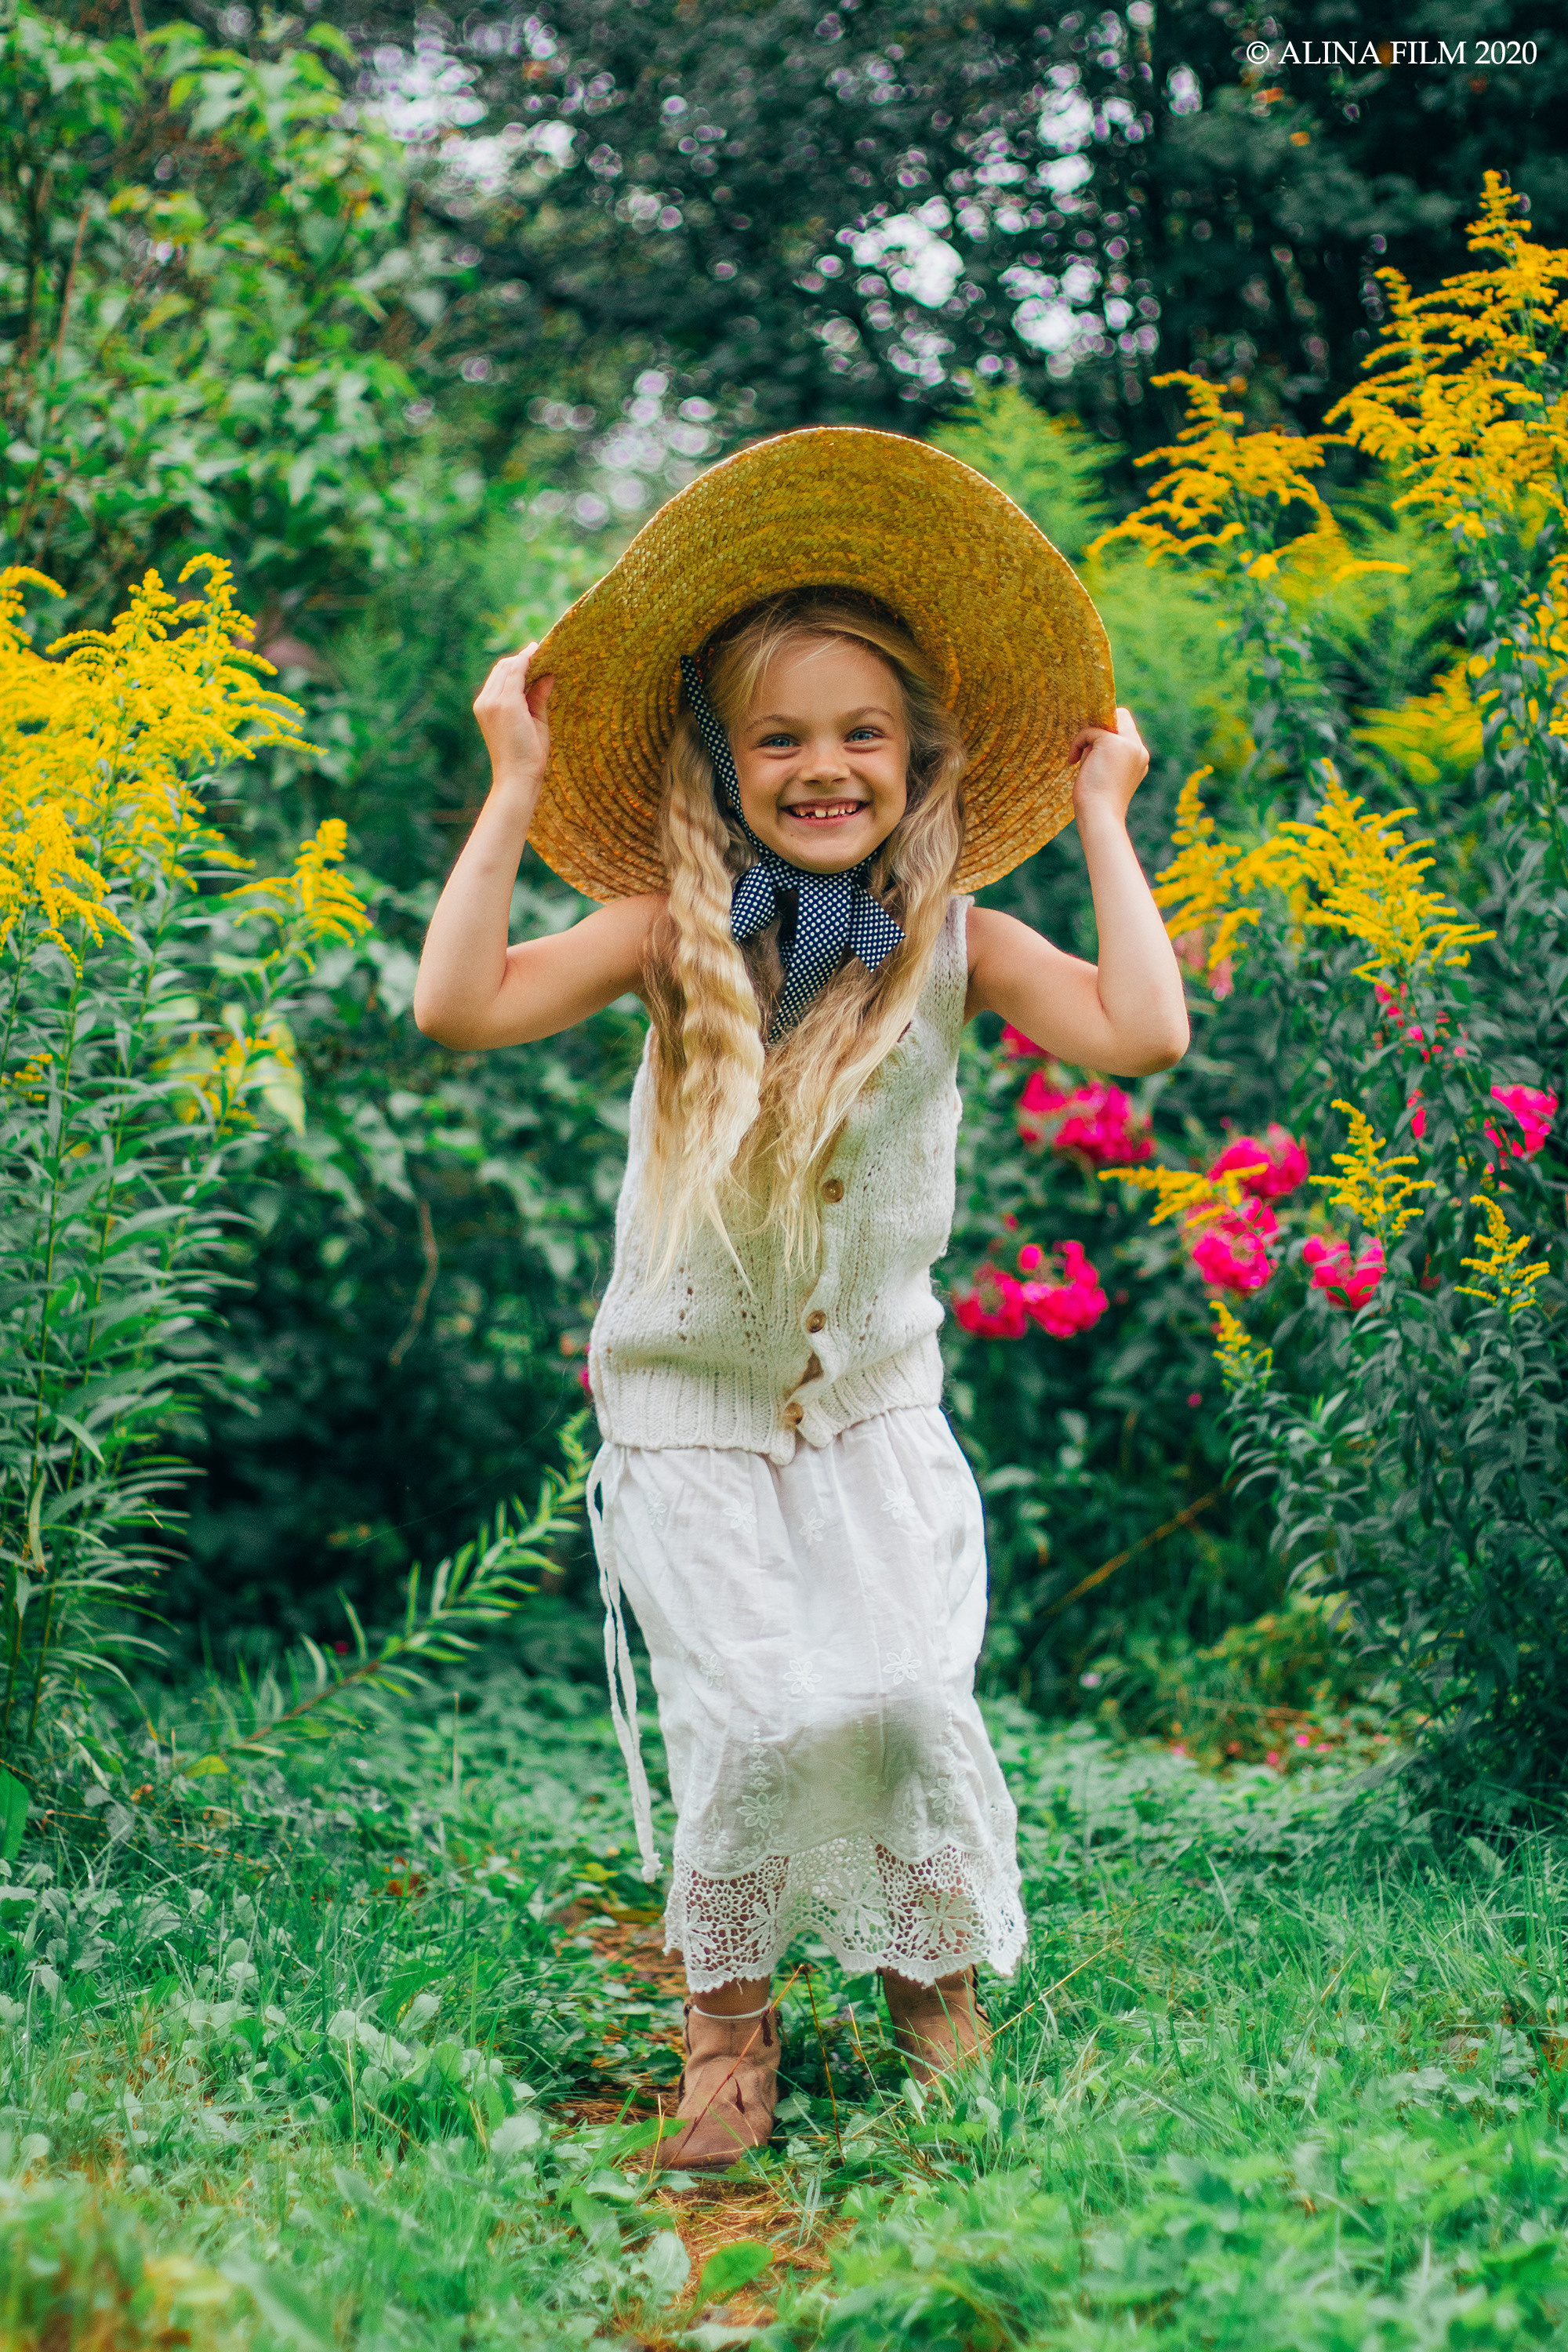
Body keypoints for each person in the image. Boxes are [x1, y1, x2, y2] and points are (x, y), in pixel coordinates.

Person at [414, 427, 1188, 2173]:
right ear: (726, 762)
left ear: (917, 757)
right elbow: (459, 1007)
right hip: (689, 1409)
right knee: (756, 1715)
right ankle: (727, 2026)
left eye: (861, 735)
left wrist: (1101, 821)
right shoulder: (664, 922)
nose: (824, 767)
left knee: (909, 1691)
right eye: (781, 737)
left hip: (872, 1407)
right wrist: (512, 785)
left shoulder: (959, 938)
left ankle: (930, 1982)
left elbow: (1143, 1035)